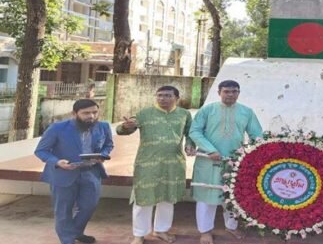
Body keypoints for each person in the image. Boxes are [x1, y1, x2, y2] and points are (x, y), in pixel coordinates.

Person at [117, 85, 194, 244]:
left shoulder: (184, 114)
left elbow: (190, 133)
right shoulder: (144, 114)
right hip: (147, 164)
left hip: (173, 163)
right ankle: (139, 234)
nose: (162, 99)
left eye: (167, 95)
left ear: (176, 98)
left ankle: (161, 230)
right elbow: (123, 129)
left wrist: (190, 145)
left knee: (167, 198)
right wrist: (125, 127)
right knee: (143, 199)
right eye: (159, 95)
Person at [189, 80, 263, 244]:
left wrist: (252, 154)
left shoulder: (246, 112)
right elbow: (194, 131)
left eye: (234, 91)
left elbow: (257, 135)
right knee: (206, 197)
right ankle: (205, 231)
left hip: (233, 161)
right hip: (208, 160)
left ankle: (231, 225)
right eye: (227, 91)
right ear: (219, 92)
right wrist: (210, 149)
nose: (230, 94)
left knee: (231, 196)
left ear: (238, 93)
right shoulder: (208, 110)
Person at [34, 99, 114, 244]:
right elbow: (41, 151)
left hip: (91, 172)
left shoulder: (103, 126)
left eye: (95, 112)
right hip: (63, 173)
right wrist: (57, 162)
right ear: (74, 113)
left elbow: (108, 144)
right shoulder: (57, 128)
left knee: (89, 206)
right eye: (86, 113)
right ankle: (67, 240)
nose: (91, 116)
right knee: (64, 210)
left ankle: (76, 232)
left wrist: (102, 154)